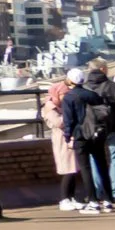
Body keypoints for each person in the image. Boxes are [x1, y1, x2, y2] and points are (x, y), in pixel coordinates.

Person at [62, 60, 115, 214]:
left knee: (85, 168)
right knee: (102, 165)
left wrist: (68, 138)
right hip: (97, 134)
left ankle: (93, 201)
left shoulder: (69, 98)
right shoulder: (92, 95)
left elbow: (69, 121)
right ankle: (108, 201)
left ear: (71, 80)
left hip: (80, 135)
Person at [85, 59, 115, 206]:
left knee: (94, 159)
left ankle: (98, 192)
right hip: (113, 127)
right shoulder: (114, 86)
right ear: (103, 69)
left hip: (92, 129)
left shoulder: (85, 87)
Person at [45, 68, 83, 210]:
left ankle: (72, 197)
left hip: (70, 137)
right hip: (61, 139)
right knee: (67, 168)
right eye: (63, 95)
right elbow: (59, 122)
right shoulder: (51, 107)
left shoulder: (64, 105)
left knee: (73, 169)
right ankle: (64, 198)